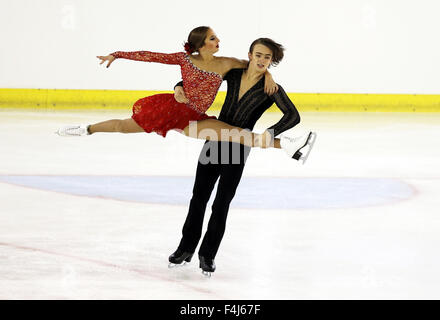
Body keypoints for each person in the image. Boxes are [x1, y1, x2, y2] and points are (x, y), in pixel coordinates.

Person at [168, 38, 316, 276]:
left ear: (271, 61)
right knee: (198, 198)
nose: (262, 60)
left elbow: (293, 116)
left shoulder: (271, 89)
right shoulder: (234, 74)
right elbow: (200, 79)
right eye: (258, 55)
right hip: (214, 140)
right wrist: (178, 86)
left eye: (267, 57)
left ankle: (207, 255)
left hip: (238, 148)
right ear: (249, 54)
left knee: (221, 203)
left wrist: (270, 134)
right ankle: (185, 248)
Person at [55, 26, 311, 154]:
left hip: (194, 118)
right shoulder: (184, 59)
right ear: (201, 44)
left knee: (238, 135)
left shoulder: (228, 63)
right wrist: (117, 55)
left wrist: (269, 73)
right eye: (212, 38)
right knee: (123, 127)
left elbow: (256, 63)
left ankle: (288, 146)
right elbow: (150, 56)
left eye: (216, 37)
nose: (217, 40)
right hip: (169, 109)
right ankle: (86, 129)